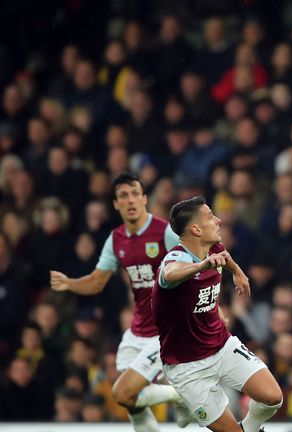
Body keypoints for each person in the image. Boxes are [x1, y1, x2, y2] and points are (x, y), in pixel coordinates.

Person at [50, 173, 192, 431]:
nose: (130, 200)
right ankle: (177, 394)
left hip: (166, 332)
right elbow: (96, 282)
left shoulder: (165, 233)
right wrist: (70, 283)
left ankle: (178, 394)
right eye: (124, 195)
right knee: (132, 404)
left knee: (121, 393)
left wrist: (209, 311)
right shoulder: (116, 240)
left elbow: (196, 271)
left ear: (145, 199)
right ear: (115, 204)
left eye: (135, 193)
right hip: (137, 331)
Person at [153, 196, 282, 432]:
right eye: (211, 216)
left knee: (274, 397)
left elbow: (224, 257)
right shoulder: (175, 259)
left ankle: (249, 429)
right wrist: (201, 266)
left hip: (221, 346)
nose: (219, 220)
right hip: (187, 367)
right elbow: (169, 274)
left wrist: (238, 272)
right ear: (195, 229)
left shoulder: (214, 247)